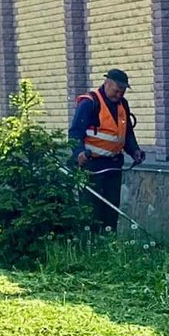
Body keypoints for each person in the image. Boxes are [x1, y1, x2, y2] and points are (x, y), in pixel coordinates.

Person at [69, 68, 145, 231]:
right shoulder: (89, 103)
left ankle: (108, 243)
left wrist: (135, 151)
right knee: (92, 210)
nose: (119, 95)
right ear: (107, 84)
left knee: (111, 210)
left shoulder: (122, 105)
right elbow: (75, 132)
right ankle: (90, 245)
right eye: (117, 91)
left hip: (113, 165)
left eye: (122, 92)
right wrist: (78, 153)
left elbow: (126, 133)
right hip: (92, 167)